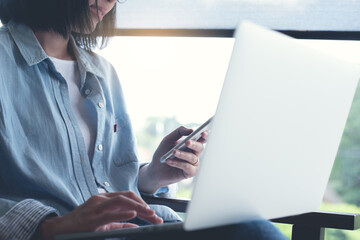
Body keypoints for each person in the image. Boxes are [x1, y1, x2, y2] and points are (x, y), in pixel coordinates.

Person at [0, 0, 288, 239]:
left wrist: (153, 174)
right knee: (252, 232)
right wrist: (53, 226)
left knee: (251, 224)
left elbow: (98, 181)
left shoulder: (103, 73)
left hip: (136, 228)